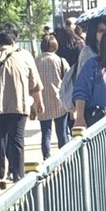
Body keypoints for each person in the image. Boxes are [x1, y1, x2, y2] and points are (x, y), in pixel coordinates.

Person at [0, 23, 41, 186]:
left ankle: (0, 174)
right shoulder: (25, 56)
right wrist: (39, 103)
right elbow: (35, 84)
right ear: (14, 40)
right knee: (17, 141)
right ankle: (18, 175)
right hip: (19, 106)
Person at [35, 29, 75, 158]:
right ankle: (64, 158)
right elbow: (68, 80)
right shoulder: (60, 61)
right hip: (59, 101)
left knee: (46, 133)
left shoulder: (36, 61)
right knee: (62, 132)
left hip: (41, 101)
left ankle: (46, 158)